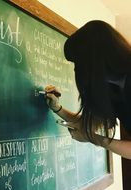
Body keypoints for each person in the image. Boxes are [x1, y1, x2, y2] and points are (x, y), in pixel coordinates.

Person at [45, 20, 131, 159]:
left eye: (77, 63)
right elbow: (91, 123)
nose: (76, 70)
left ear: (91, 60)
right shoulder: (113, 89)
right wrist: (58, 108)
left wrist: (95, 139)